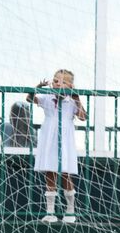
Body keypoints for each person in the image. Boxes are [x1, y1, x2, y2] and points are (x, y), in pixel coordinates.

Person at [31, 69, 86, 224]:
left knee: (66, 172)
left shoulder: (71, 100)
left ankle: (70, 210)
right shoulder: (47, 97)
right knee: (50, 170)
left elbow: (82, 117)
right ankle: (50, 211)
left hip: (65, 136)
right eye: (55, 80)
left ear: (70, 85)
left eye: (60, 81)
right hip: (49, 135)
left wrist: (76, 97)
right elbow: (31, 99)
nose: (56, 83)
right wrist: (37, 88)